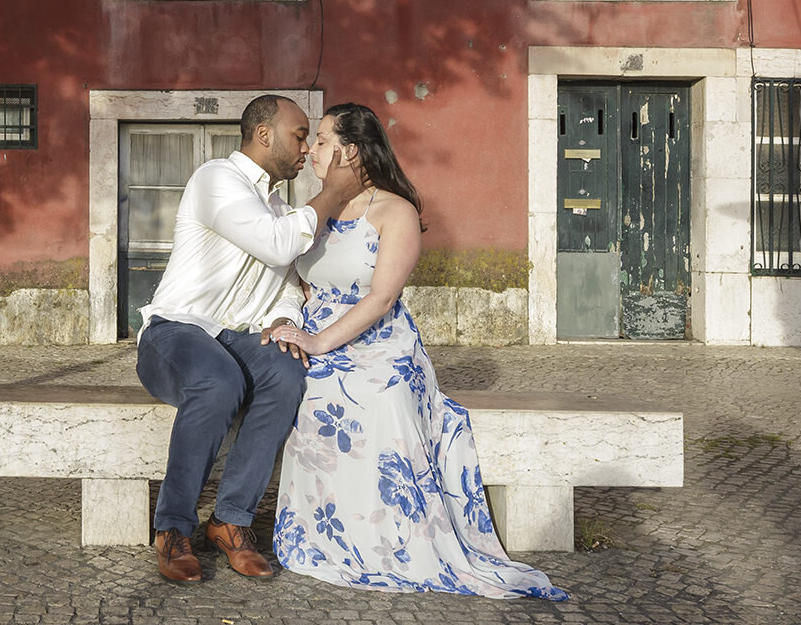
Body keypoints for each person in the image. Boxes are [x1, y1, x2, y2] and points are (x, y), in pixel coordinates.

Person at [269, 103, 567, 599]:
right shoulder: (314, 209)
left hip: (380, 338)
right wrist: (293, 325)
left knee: (378, 395)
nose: (312, 149)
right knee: (302, 385)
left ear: (352, 150)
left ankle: (391, 537)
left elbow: (382, 297)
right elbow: (294, 279)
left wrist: (321, 342)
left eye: (322, 139)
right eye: (314, 139)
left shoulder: (395, 211)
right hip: (315, 324)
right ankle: (325, 531)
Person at [136, 94, 366, 583]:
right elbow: (276, 243)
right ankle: (173, 528)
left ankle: (230, 520)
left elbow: (285, 286)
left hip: (236, 338)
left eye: (309, 138)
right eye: (299, 135)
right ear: (264, 134)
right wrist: (334, 195)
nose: (305, 148)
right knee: (218, 382)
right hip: (176, 330)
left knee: (286, 373)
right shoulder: (216, 178)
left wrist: (283, 323)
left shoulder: (280, 206)